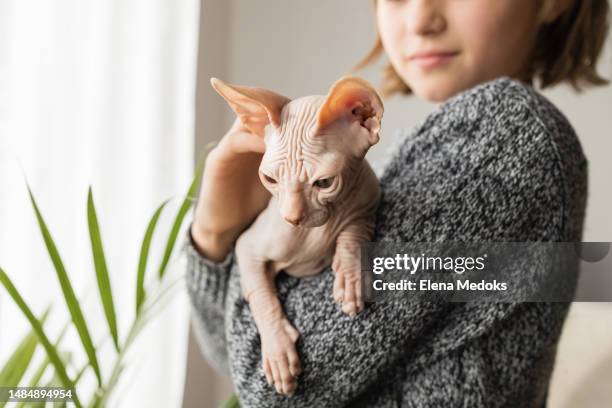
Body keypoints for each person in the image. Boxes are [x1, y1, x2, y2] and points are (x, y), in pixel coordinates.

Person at [183, 0, 610, 406]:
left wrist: (228, 230)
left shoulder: (506, 135)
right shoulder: (397, 167)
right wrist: (213, 236)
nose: (420, 20)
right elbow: (231, 353)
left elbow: (273, 387)